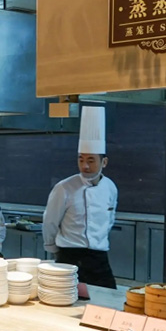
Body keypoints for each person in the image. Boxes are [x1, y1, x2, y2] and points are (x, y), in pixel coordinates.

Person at [42, 106, 118, 288]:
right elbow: (50, 221)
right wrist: (54, 250)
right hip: (69, 255)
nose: (85, 166)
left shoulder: (110, 187)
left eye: (91, 160)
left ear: (104, 162)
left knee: (109, 298)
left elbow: (109, 220)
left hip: (99, 257)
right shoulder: (64, 188)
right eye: (81, 159)